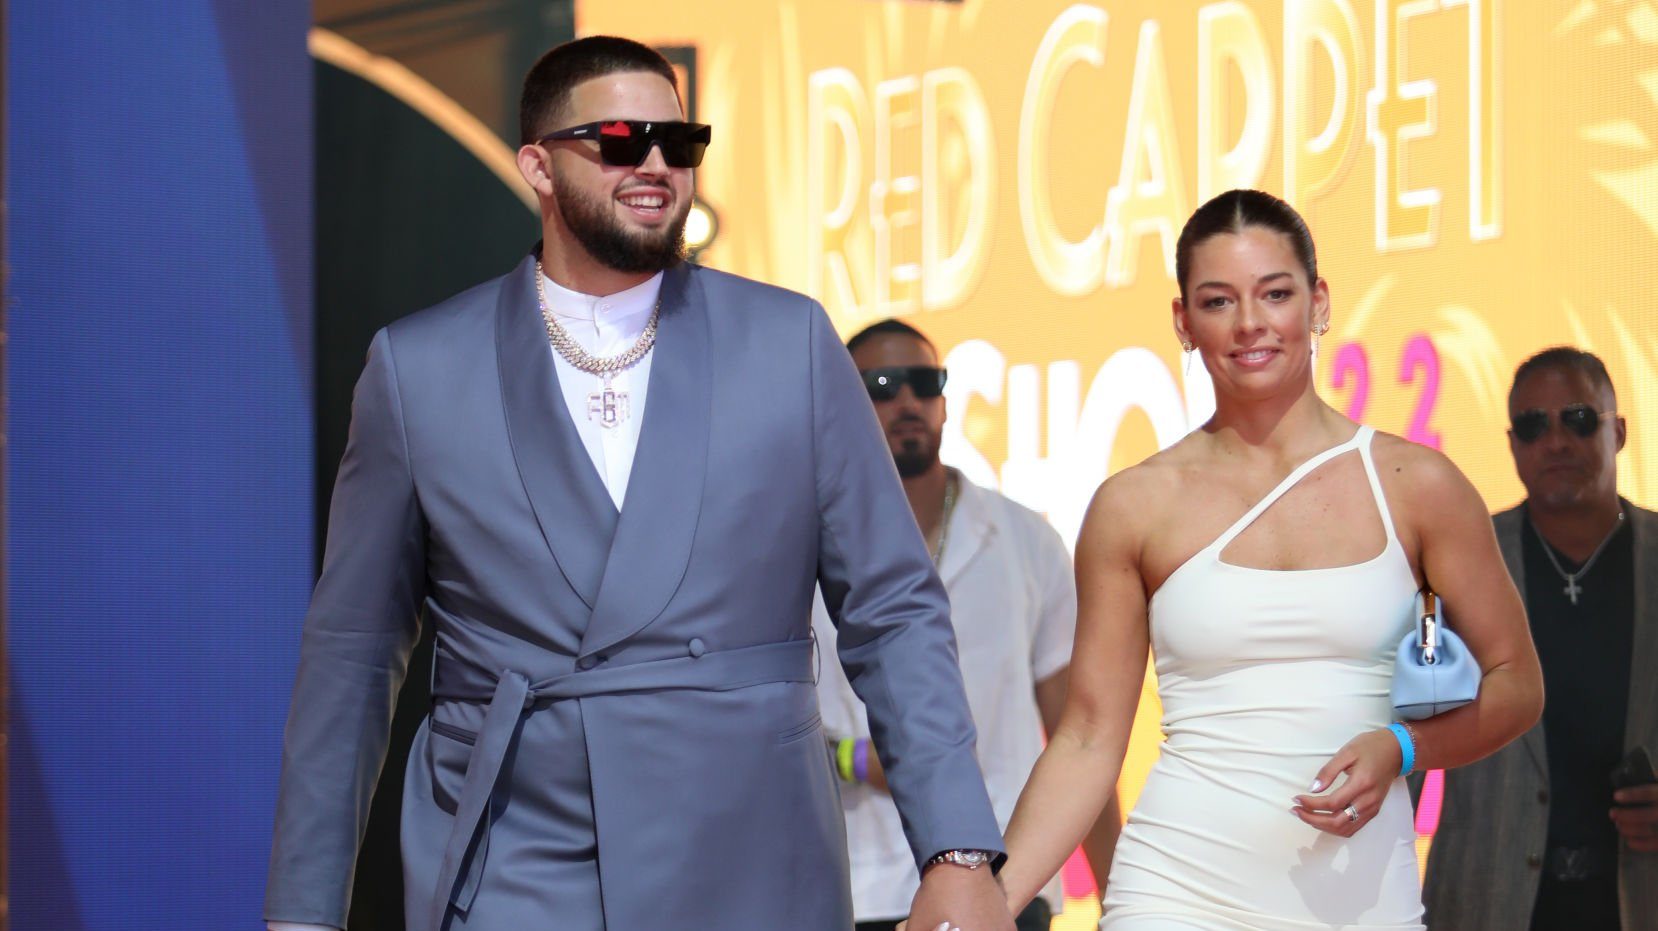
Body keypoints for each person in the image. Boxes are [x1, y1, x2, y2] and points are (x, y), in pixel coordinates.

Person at [263, 36, 1013, 931]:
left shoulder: (790, 344)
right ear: (537, 165)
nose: (656, 163)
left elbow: (892, 608)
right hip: (519, 853)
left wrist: (959, 852)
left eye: (679, 141)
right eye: (620, 139)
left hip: (751, 846)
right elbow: (354, 649)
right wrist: (303, 910)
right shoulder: (419, 368)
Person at [989, 189, 1544, 929]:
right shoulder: (1134, 504)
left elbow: (1517, 684)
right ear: (1184, 323)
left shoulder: (1417, 485)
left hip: (1361, 899)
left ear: (1318, 303)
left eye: (1275, 294)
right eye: (1218, 301)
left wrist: (1404, 746)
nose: (1251, 323)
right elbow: (1088, 736)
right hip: (1174, 890)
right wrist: (988, 902)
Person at [813, 319, 1121, 931]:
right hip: (850, 887)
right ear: (840, 403)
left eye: (925, 383)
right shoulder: (797, 552)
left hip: (1003, 883)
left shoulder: (1027, 541)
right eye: (880, 384)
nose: (906, 402)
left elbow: (1080, 733)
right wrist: (849, 759)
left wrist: (1118, 897)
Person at [1417, 347, 1658, 930]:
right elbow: (1411, 732)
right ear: (1512, 445)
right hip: (1485, 895)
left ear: (1618, 431)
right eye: (1532, 425)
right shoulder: (1459, 561)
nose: (1555, 441)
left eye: (1578, 418)